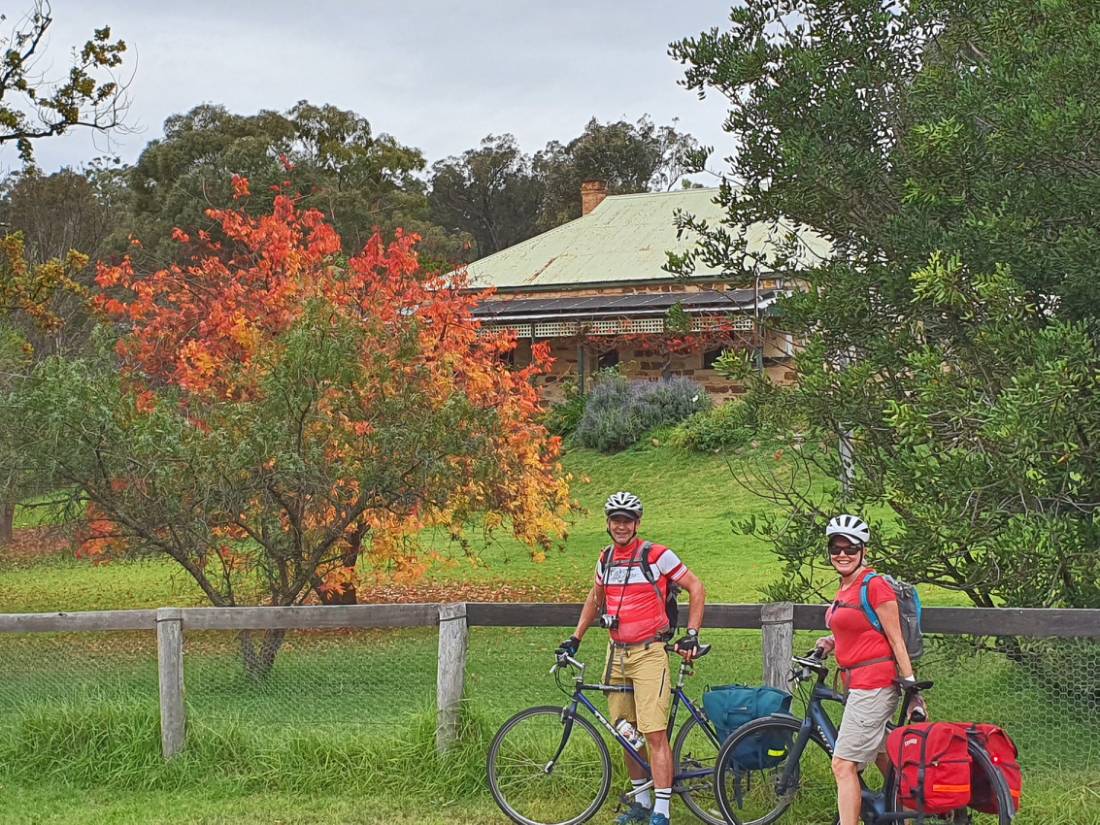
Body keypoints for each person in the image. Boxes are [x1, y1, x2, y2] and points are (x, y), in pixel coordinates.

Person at [556, 491, 706, 825]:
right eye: (615, 520)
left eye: (627, 520)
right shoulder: (605, 559)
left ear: (636, 523)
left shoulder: (657, 556)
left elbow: (697, 587)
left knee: (653, 733)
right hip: (616, 654)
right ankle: (641, 803)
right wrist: (575, 639)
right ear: (608, 524)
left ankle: (662, 812)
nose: (621, 526)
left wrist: (693, 634)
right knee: (625, 730)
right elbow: (594, 601)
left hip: (650, 653)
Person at [816, 514, 925, 825]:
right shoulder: (845, 587)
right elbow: (853, 629)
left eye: (850, 548)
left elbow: (895, 639)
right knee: (882, 755)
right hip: (857, 684)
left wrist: (911, 686)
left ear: (863, 551)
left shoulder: (874, 586)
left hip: (875, 685)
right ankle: (906, 812)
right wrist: (827, 642)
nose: (842, 554)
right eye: (836, 548)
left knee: (843, 764)